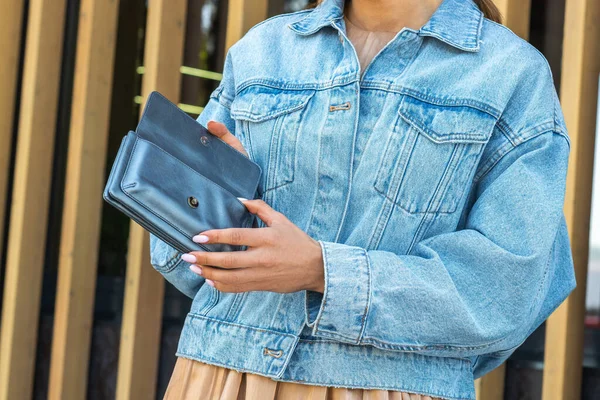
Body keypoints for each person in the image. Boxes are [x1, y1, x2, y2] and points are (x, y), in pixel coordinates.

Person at [152, 0, 576, 398]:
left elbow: (505, 291)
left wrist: (324, 272)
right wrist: (224, 198)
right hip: (219, 376)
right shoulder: (263, 51)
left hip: (387, 389)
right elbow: (182, 251)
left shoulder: (509, 73)